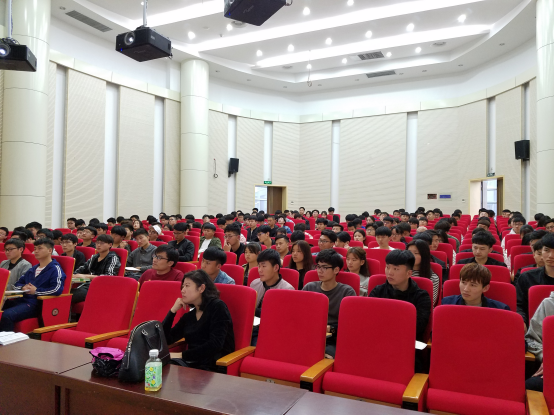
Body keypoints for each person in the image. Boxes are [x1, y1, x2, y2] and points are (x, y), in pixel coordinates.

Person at [163, 270, 235, 371]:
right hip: (192, 364)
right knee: (159, 366)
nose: (182, 290)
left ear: (201, 288)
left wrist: (181, 355)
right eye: (182, 286)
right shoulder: (189, 316)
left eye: (187, 286)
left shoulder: (218, 307)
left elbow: (215, 345)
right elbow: (165, 340)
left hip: (214, 364)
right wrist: (172, 311)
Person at [0, 239, 66, 332]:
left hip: (36, 304)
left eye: (39, 248)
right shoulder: (33, 268)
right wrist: (23, 287)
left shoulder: (55, 269)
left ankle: (7, 339)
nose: (36, 251)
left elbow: (57, 289)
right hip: (21, 300)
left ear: (50, 250)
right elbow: (17, 284)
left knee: (7, 315)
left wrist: (36, 291)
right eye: (35, 249)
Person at [369, 250, 431, 342]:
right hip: (378, 339)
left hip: (406, 341)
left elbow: (418, 327)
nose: (390, 272)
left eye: (396, 269)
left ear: (409, 273)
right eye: (387, 267)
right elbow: (369, 320)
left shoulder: (421, 297)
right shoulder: (378, 291)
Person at [303, 250, 356, 358]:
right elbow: (300, 314)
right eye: (318, 266)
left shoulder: (347, 292)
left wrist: (331, 328)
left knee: (324, 355)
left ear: (336, 270)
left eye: (325, 267)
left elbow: (350, 325)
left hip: (334, 339)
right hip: (309, 334)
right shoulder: (309, 287)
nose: (320, 271)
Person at [250, 249, 294, 346]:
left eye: (264, 266)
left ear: (276, 267)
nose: (260, 270)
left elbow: (282, 320)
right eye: (259, 266)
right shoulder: (254, 283)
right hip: (251, 327)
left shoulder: (287, 290)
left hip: (271, 331)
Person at [72, 235, 121, 304]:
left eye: (102, 243)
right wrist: (74, 276)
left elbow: (109, 277)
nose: (98, 245)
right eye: (97, 243)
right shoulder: (94, 257)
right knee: (64, 292)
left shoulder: (113, 258)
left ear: (110, 245)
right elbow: (82, 269)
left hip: (100, 287)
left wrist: (86, 276)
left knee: (69, 296)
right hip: (86, 283)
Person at [517, 234, 554, 327]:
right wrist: (522, 321)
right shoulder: (527, 277)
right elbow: (519, 305)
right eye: (546, 250)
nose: (551, 256)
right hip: (533, 328)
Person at [442, 263, 510, 310]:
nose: (466, 289)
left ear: (485, 288)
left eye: (473, 285)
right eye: (463, 283)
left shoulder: (500, 309)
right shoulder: (446, 304)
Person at [525, 292, 554, 392]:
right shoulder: (548, 304)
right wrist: (548, 358)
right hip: (550, 366)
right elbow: (532, 339)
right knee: (529, 387)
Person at [407, 240, 440, 306]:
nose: (411, 256)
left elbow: (430, 304)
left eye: (416, 253)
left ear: (424, 255)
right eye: (409, 252)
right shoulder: (400, 273)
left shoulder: (433, 278)